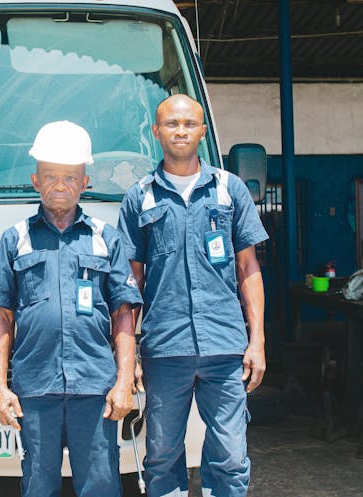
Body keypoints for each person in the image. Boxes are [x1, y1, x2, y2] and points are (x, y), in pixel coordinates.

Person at [117, 94, 268, 497]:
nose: (180, 131)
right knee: (162, 456)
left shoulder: (228, 190)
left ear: (202, 131)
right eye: (171, 124)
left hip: (224, 347)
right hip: (165, 351)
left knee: (231, 458)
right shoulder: (140, 197)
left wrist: (257, 341)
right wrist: (129, 358)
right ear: (156, 132)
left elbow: (248, 269)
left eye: (188, 124)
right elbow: (129, 285)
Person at [0, 121, 143, 497]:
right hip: (36, 388)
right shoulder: (16, 239)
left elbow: (123, 313)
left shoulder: (106, 239)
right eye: (50, 175)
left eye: (70, 177)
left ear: (85, 182)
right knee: (39, 486)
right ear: (35, 180)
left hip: (95, 386)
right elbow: (3, 316)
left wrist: (123, 382)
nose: (60, 184)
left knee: (101, 485)